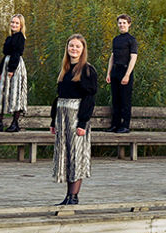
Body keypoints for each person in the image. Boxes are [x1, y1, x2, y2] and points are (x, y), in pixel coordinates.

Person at [51, 34, 98, 205]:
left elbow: (89, 98)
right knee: (67, 155)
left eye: (77, 46)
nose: (74, 49)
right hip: (62, 117)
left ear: (83, 49)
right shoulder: (65, 69)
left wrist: (83, 122)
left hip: (76, 117)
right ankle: (68, 195)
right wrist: (53, 120)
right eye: (71, 46)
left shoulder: (86, 70)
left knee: (76, 155)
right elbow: (59, 97)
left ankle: (74, 196)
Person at [0, 14, 28, 133]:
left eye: (16, 23)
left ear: (21, 25)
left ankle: (15, 123)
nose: (14, 25)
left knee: (15, 92)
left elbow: (17, 53)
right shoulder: (10, 37)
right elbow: (5, 55)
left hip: (15, 66)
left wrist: (11, 69)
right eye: (12, 22)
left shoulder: (20, 37)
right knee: (3, 92)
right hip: (6, 64)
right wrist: (1, 71)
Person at [105, 14, 138, 134]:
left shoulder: (131, 40)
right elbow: (112, 57)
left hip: (125, 71)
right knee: (116, 100)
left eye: (124, 23)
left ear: (129, 24)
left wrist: (127, 75)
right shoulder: (116, 39)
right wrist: (108, 73)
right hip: (115, 71)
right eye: (120, 23)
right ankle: (115, 125)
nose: (122, 25)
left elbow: (133, 58)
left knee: (125, 100)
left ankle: (125, 126)